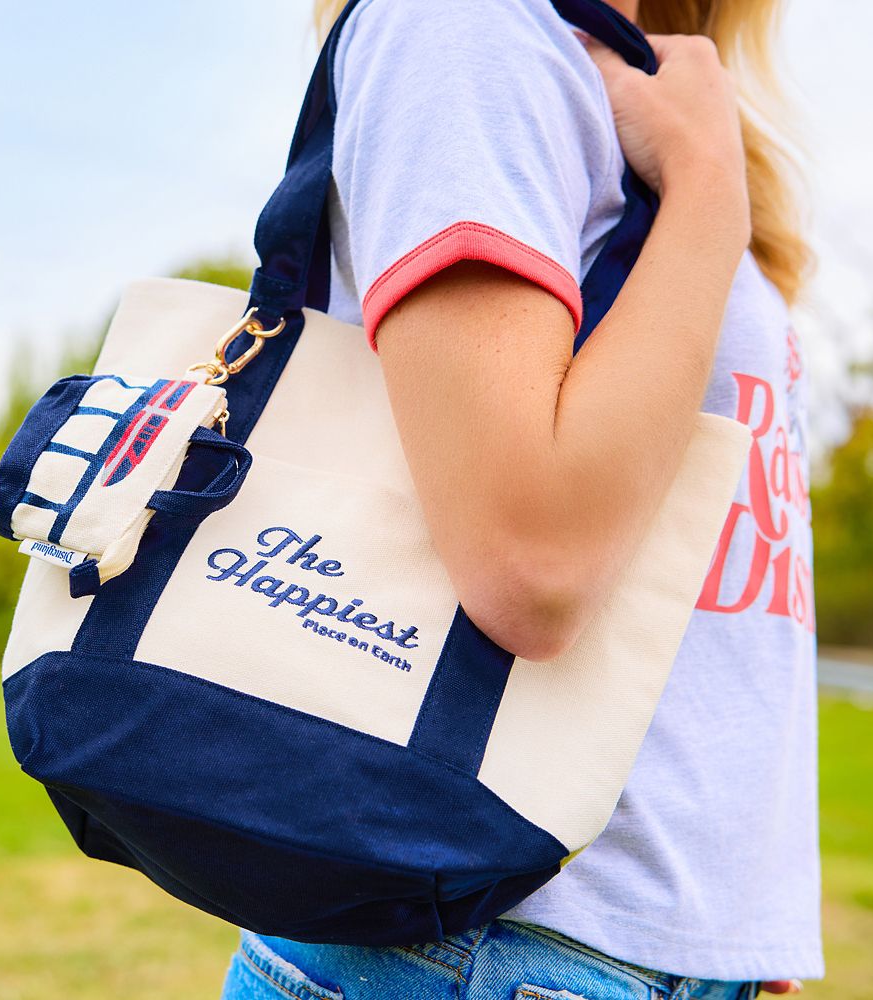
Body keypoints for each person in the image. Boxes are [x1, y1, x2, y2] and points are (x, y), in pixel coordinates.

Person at [221, 0, 820, 996]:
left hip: (646, 946)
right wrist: (708, 184)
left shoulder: (643, 81)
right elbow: (530, 561)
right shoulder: (466, 27)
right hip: (486, 946)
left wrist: (736, 924)